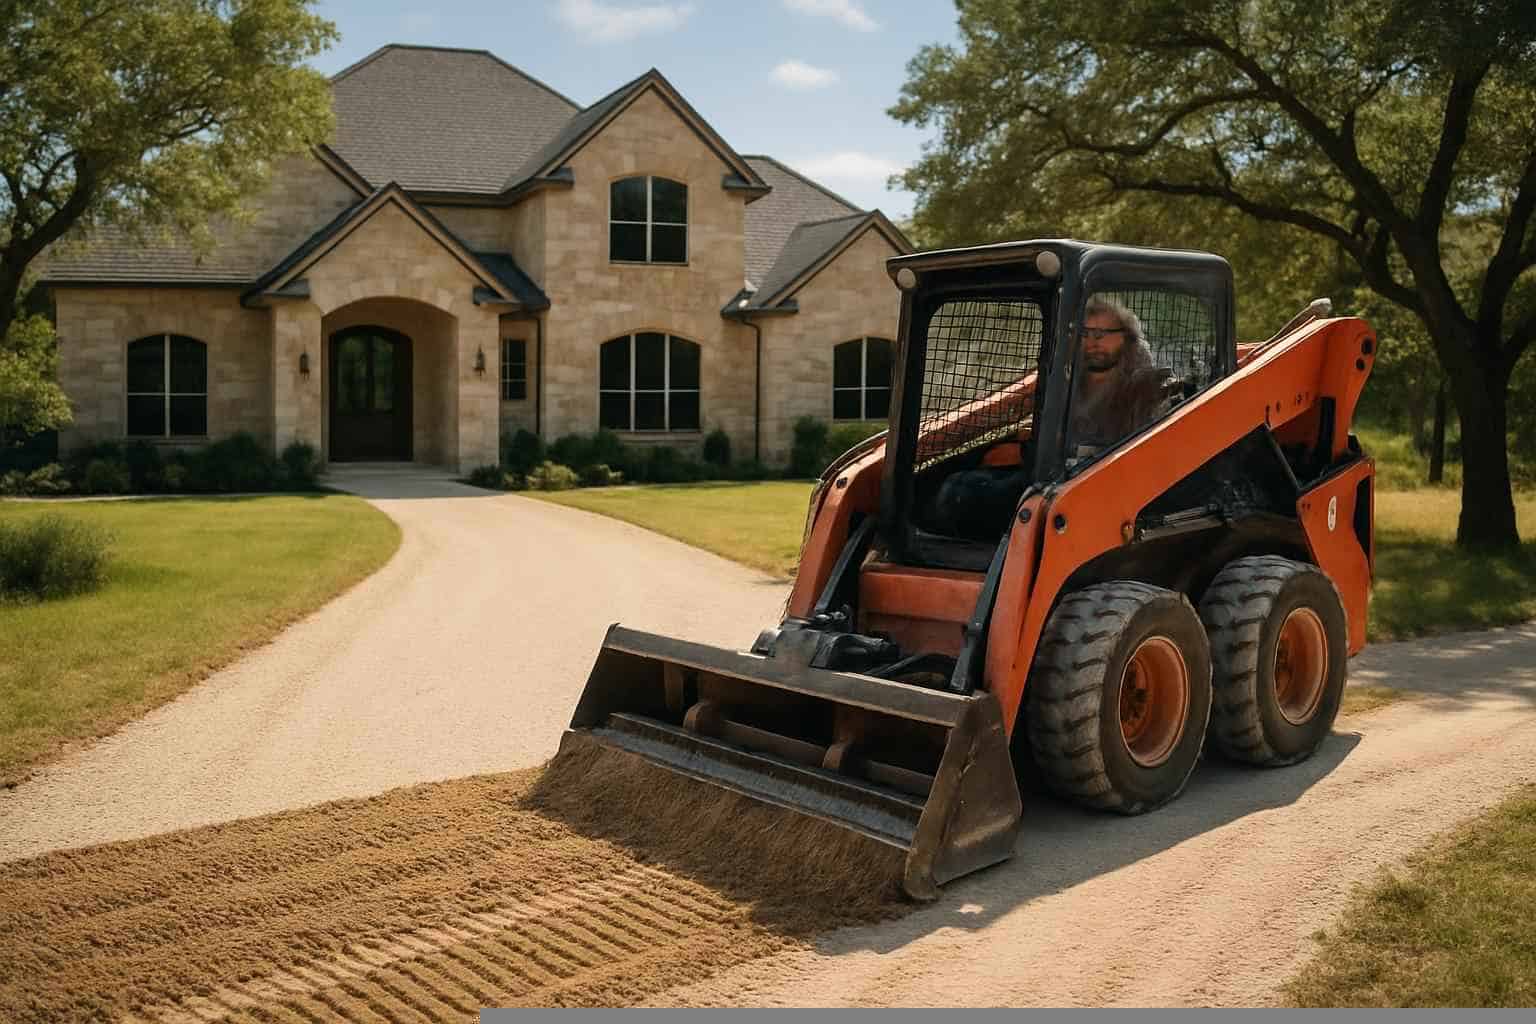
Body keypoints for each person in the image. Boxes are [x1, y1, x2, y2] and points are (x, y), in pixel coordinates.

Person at [1064, 296, 1173, 458]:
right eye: (1084, 334)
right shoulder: (1064, 387)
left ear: (1126, 338)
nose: (1091, 343)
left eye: (1100, 334)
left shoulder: (1145, 391)